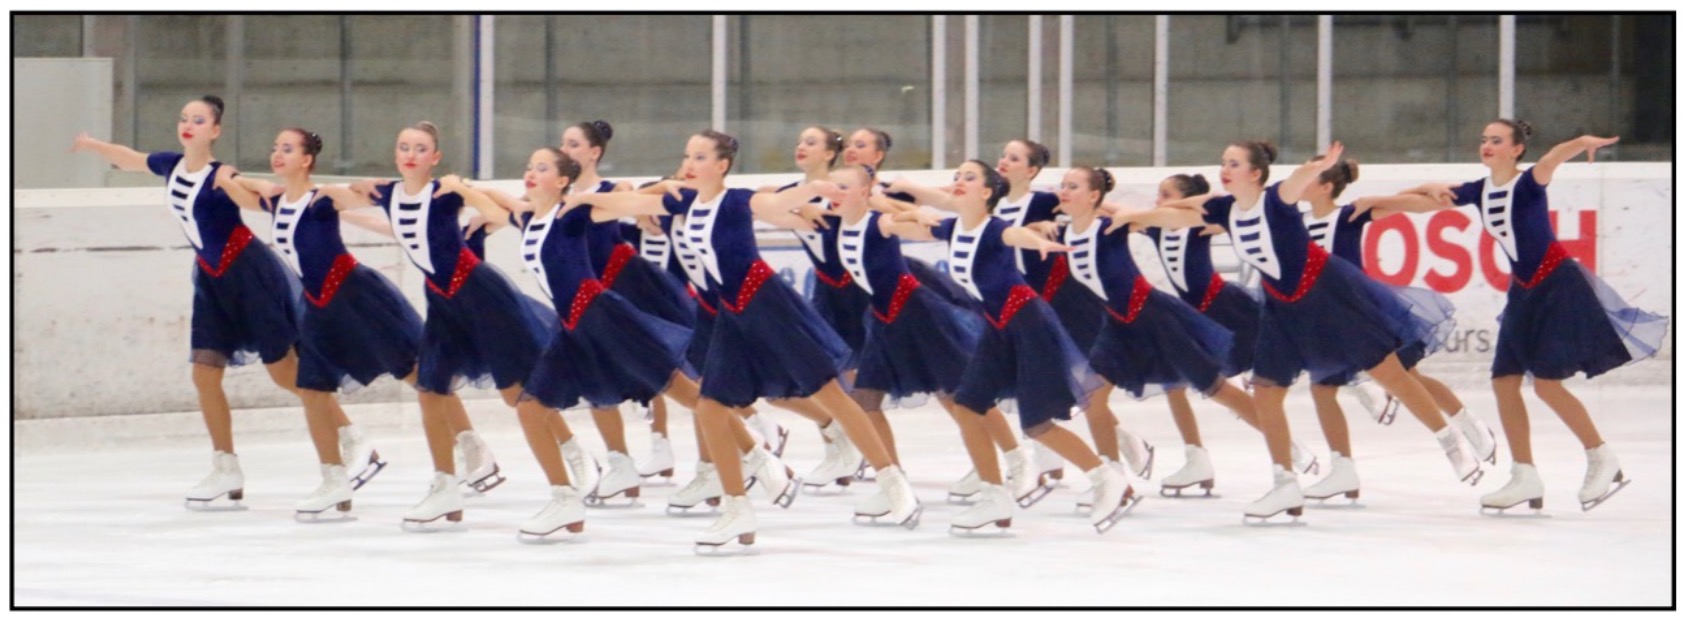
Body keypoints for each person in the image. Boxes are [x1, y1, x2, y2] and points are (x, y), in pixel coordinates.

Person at [563, 130, 922, 551]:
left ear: (722, 165)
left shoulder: (736, 202)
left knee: (832, 396)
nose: (690, 164)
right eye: (687, 156)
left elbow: (774, 205)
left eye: (700, 157)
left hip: (768, 305)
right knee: (711, 408)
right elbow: (628, 205)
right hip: (731, 315)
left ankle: (891, 480)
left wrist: (814, 190)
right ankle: (738, 509)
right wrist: (584, 199)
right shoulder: (683, 201)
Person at [1109, 140, 1486, 522]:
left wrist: (1316, 166)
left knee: (1389, 373)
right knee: (1267, 392)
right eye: (1223, 162)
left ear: (1256, 173)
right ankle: (1285, 484)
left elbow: (1295, 182)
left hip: (1328, 294)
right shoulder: (1223, 209)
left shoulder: (1276, 200)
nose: (1225, 169)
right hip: (1282, 307)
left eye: (1234, 163)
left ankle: (1449, 438)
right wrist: (1132, 217)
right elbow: (1173, 216)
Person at [1352, 122, 1666, 513]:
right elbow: (1427, 200)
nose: (1487, 145)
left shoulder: (1528, 184)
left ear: (1516, 149)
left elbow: (1552, 158)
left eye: (1496, 141)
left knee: (1547, 385)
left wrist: (1580, 141)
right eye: (1484, 139)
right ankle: (1524, 475)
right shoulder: (1478, 190)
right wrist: (1394, 195)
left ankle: (1601, 456)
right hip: (1523, 292)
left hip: (1556, 285)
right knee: (1504, 381)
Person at [69, 96, 362, 511]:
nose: (188, 124)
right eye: (184, 118)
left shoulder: (222, 174)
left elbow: (255, 189)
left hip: (248, 274)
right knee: (205, 374)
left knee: (284, 372)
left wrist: (273, 189)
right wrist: (93, 145)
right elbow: (130, 158)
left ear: (215, 131)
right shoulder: (171, 164)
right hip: (211, 279)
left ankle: (350, 437)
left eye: (199, 119)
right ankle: (226, 467)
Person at [884, 160, 1137, 534]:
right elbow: (907, 223)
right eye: (957, 176)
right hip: (998, 327)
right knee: (968, 405)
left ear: (987, 192)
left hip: (1028, 323)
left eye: (969, 177)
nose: (959, 181)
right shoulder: (952, 228)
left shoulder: (994, 229)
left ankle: (1105, 477)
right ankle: (994, 497)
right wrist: (897, 213)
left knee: (1037, 424)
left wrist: (1039, 242)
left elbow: (1016, 236)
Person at [326, 121, 552, 529]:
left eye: (420, 148)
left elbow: (496, 214)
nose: (410, 154)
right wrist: (346, 193)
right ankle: (445, 486)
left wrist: (463, 188)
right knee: (431, 390)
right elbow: (351, 205)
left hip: (479, 294)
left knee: (518, 391)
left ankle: (572, 454)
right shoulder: (389, 194)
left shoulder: (445, 194)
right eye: (404, 146)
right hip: (442, 302)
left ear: (435, 158)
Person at [1055, 166, 1270, 506]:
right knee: (1095, 395)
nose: (1158, 201)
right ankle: (1115, 478)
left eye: (1165, 195)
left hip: (1179, 314)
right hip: (1124, 324)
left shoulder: (1187, 226)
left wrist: (1176, 208)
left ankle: (1286, 448)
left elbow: (1214, 207)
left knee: (1215, 387)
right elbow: (1112, 210)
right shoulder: (1138, 227)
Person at [1297, 155, 1499, 502]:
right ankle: (1344, 468)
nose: (1300, 179)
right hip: (1325, 317)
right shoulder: (1297, 222)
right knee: (1327, 387)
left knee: (1402, 378)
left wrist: (1398, 195)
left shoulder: (1349, 216)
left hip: (1360, 312)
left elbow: (1416, 205)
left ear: (1326, 186)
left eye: (1309, 175)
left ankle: (1460, 430)